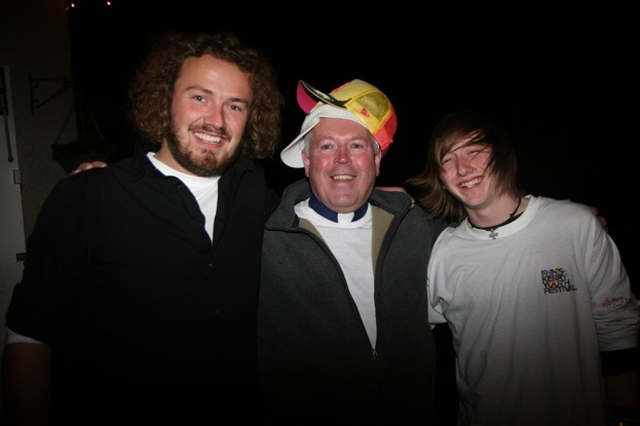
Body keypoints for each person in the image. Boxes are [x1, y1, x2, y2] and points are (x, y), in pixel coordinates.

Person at [2, 31, 284, 425]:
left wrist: (383, 197)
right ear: (165, 99)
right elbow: (29, 336)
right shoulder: (89, 198)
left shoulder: (257, 195)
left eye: (235, 105)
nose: (216, 120)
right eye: (200, 97)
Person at [406, 110, 640, 425]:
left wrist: (626, 416)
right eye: (447, 160)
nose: (462, 168)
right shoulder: (443, 252)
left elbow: (618, 331)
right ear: (441, 179)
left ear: (501, 155)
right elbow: (402, 331)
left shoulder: (575, 225)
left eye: (474, 151)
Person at [257, 78, 449, 425]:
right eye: (327, 146)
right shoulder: (263, 238)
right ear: (306, 159)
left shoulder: (419, 227)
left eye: (357, 147)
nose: (342, 160)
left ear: (376, 160)